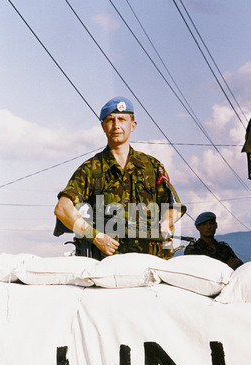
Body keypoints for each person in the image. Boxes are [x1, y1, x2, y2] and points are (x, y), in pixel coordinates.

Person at [54, 96, 186, 260]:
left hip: (151, 261)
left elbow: (171, 207)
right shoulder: (90, 169)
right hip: (108, 263)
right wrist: (95, 236)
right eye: (110, 120)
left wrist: (166, 224)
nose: (116, 126)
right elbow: (62, 208)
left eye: (122, 120)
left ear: (133, 125)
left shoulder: (152, 166)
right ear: (103, 126)